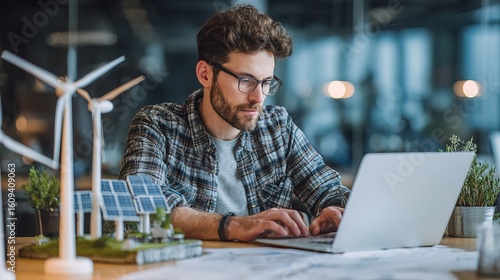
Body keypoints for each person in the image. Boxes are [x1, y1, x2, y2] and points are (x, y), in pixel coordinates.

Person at [119, 4, 350, 242]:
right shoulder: (158, 125)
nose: (258, 97)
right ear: (205, 74)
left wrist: (334, 211)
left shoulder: (277, 127)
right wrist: (232, 226)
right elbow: (139, 210)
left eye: (266, 82)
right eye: (246, 80)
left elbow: (329, 190)